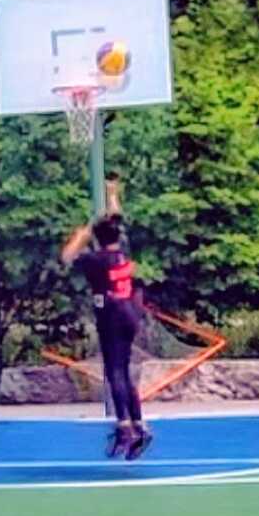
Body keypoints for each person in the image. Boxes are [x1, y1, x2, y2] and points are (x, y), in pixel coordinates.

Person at [59, 175, 152, 460]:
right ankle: (139, 423)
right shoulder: (121, 252)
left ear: (97, 240)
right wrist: (112, 194)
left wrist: (82, 234)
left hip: (110, 314)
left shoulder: (95, 260)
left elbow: (66, 257)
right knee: (123, 370)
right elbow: (116, 221)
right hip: (129, 311)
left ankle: (125, 427)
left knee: (114, 371)